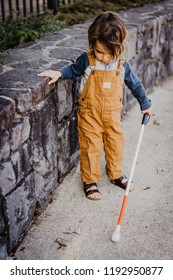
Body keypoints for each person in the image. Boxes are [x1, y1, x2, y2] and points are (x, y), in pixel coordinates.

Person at [38, 12, 152, 201]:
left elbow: (136, 84)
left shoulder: (122, 64)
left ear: (119, 47)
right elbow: (73, 69)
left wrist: (145, 104)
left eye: (109, 52)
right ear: (92, 45)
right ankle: (90, 180)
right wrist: (59, 73)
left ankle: (115, 174)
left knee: (115, 144)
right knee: (91, 147)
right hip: (89, 114)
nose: (105, 57)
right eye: (99, 51)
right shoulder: (87, 59)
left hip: (112, 115)